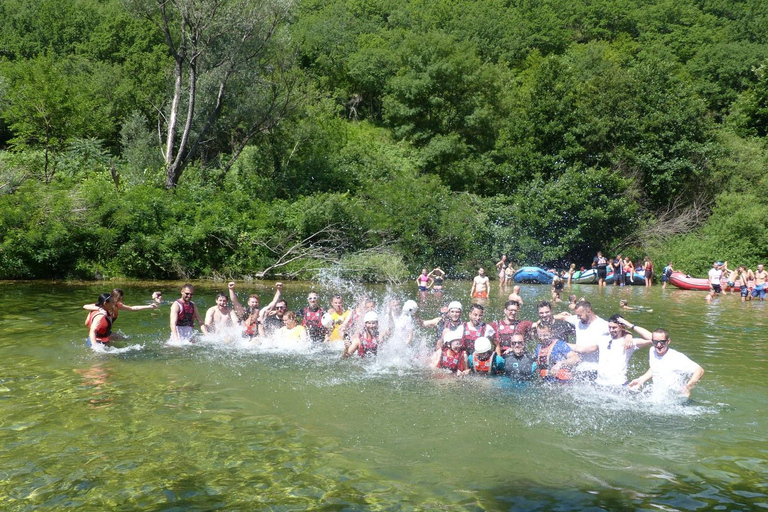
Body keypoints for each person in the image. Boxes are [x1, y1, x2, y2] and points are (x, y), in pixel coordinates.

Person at [568, 315, 652, 387]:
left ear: (622, 327)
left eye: (614, 327)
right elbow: (583, 349)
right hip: (599, 384)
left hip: (618, 385)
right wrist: (560, 343)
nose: (611, 330)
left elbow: (653, 338)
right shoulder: (603, 339)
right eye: (610, 327)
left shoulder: (630, 342)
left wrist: (630, 326)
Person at [628, 329, 705, 398]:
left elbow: (699, 370)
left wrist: (688, 387)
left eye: (662, 342)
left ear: (668, 341)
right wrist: (641, 379)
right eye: (655, 342)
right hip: (657, 396)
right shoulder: (652, 351)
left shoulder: (676, 357)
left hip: (674, 397)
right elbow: (655, 367)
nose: (658, 345)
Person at [554, 300, 610, 378]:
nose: (578, 317)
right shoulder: (578, 320)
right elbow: (562, 317)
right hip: (578, 368)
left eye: (580, 315)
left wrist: (629, 336)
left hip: (594, 369)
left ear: (589, 311)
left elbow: (621, 331)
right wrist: (547, 318)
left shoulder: (603, 325)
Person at [83, 288, 158, 325]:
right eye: (119, 298)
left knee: (123, 339)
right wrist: (98, 309)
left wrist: (148, 306)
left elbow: (132, 308)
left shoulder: (118, 305)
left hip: (105, 329)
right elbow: (85, 306)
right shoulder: (104, 304)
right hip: (98, 328)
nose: (121, 300)